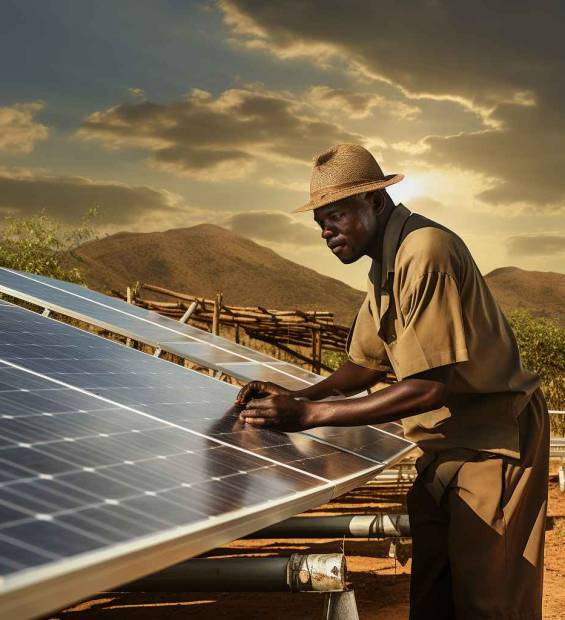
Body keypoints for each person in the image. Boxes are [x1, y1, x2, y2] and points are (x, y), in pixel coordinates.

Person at [235, 144, 549, 620]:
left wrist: (309, 415)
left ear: (376, 202)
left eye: (336, 214)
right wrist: (299, 394)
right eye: (320, 220)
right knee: (432, 599)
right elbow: (365, 367)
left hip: (493, 443)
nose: (325, 231)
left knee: (488, 602)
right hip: (442, 446)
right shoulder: (385, 263)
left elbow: (427, 388)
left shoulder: (425, 251)